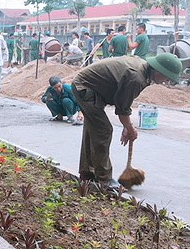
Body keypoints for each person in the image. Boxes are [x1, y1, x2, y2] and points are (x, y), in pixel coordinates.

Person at [72, 53, 182, 187]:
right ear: (158, 71)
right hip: (85, 87)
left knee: (94, 129)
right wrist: (129, 128)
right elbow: (122, 109)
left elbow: (123, 103)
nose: (166, 81)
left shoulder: (143, 71)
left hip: (93, 88)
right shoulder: (136, 78)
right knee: (103, 131)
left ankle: (87, 173)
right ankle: (104, 179)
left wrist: (127, 126)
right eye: (166, 77)